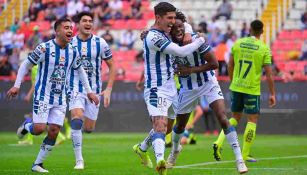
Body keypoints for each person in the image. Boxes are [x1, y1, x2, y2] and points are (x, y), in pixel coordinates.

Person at [7, 18, 99, 173]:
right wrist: (17, 85)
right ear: (57, 31)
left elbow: (81, 71)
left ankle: (38, 164)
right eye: (66, 28)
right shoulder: (44, 48)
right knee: (38, 129)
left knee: (55, 130)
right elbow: (25, 64)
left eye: (71, 28)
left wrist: (89, 91)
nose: (70, 30)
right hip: (43, 96)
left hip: (60, 98)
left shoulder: (73, 51)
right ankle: (26, 126)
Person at [163, 11, 247, 174]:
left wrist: (191, 69)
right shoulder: (168, 43)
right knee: (180, 125)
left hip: (208, 82)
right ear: (171, 30)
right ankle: (174, 152)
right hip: (187, 88)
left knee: (223, 118)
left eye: (181, 27)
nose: (179, 30)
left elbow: (215, 63)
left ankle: (239, 159)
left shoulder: (195, 39)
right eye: (175, 28)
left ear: (185, 27)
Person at [132, 2, 206, 175]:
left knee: (167, 126)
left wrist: (188, 30)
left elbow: (183, 23)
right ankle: (160, 161)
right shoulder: (153, 37)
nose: (173, 21)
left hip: (172, 88)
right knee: (160, 124)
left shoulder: (166, 32)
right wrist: (201, 40)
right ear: (158, 18)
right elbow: (180, 52)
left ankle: (142, 148)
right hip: (155, 88)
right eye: (169, 18)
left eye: (174, 17)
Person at [213, 19, 276, 163]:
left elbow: (230, 65)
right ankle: (245, 154)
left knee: (234, 117)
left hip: (236, 86)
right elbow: (269, 74)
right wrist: (272, 94)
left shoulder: (238, 43)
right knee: (252, 120)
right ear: (262, 31)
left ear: (250, 29)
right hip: (252, 89)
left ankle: (218, 142)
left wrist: (232, 80)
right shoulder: (263, 48)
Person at [69, 12, 116, 170]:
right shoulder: (70, 42)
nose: (88, 23)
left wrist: (108, 89)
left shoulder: (100, 42)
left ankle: (78, 132)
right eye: (84, 21)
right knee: (77, 118)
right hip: (75, 87)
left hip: (95, 90)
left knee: (89, 128)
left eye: (90, 21)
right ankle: (79, 160)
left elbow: (112, 66)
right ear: (79, 24)